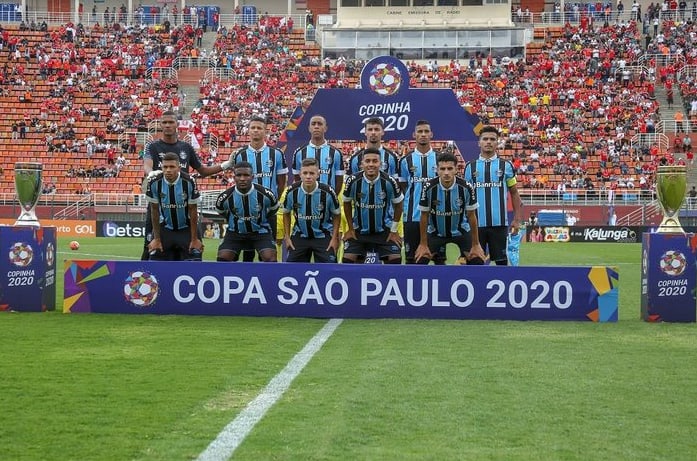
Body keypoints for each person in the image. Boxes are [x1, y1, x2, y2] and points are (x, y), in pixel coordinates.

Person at [141, 111, 234, 260]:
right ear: (160, 125)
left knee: (193, 251)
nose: (167, 125)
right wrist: (151, 173)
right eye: (164, 122)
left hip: (184, 210)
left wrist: (225, 165)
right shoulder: (152, 146)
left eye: (171, 122)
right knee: (151, 249)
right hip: (160, 209)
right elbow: (147, 165)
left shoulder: (186, 147)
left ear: (177, 125)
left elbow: (202, 171)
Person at [228, 116, 288, 261]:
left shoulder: (277, 154)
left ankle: (266, 282)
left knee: (268, 254)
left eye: (259, 128)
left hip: (268, 211)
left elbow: (281, 183)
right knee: (247, 254)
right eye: (253, 128)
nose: (256, 130)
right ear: (248, 131)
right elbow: (237, 181)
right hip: (245, 210)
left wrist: (273, 202)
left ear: (265, 131)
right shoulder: (239, 154)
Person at [463, 125, 523, 265]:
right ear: (479, 142)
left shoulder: (506, 166)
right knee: (475, 263)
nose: (488, 142)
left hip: (499, 224)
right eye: (485, 139)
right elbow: (464, 197)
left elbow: (514, 193)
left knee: (501, 263)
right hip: (475, 225)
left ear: (497, 142)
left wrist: (517, 219)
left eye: (492, 139)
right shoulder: (470, 167)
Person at [414, 152, 486, 265]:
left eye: (449, 168)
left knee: (477, 260)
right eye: (442, 169)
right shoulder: (428, 187)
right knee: (420, 260)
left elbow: (472, 216)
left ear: (456, 169)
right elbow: (424, 216)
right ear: (437, 170)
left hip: (461, 231)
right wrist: (423, 244)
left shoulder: (466, 187)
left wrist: (476, 244)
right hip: (435, 232)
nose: (446, 173)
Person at [342, 148, 404, 264]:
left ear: (380, 164)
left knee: (395, 260)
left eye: (375, 161)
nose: (371, 164)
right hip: (359, 231)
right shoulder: (353, 180)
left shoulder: (389, 181)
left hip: (384, 231)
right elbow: (346, 203)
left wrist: (394, 230)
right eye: (368, 161)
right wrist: (350, 228)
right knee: (347, 260)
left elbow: (399, 205)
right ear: (362, 164)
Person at [215, 161, 279, 262]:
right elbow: (222, 212)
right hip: (235, 233)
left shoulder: (266, 194)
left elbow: (273, 210)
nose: (242, 179)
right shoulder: (224, 197)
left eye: (246, 175)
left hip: (260, 232)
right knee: (223, 258)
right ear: (234, 177)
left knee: (270, 258)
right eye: (239, 175)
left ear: (252, 177)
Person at [145, 152, 203, 261]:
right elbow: (154, 210)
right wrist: (156, 239)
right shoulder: (154, 182)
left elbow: (193, 210)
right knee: (154, 255)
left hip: (186, 228)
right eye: (165, 167)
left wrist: (194, 239)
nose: (168, 170)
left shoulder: (189, 181)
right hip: (165, 228)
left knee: (195, 255)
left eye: (172, 167)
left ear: (179, 168)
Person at [282, 158, 341, 263]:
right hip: (300, 235)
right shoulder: (292, 191)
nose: (308, 176)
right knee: (291, 269)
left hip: (323, 235)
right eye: (305, 173)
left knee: (330, 269)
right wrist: (287, 237)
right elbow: (286, 213)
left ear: (318, 174)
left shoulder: (328, 192)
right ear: (300, 174)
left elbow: (337, 215)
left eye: (312, 173)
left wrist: (334, 238)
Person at [398, 120, 440, 264]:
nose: (423, 135)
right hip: (412, 217)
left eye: (426, 132)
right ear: (414, 135)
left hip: (437, 218)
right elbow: (403, 186)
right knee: (412, 261)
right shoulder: (405, 161)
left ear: (431, 135)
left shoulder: (440, 159)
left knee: (439, 261)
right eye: (420, 132)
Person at [291, 114, 345, 192]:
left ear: (325, 128)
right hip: (306, 198)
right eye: (313, 124)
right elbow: (297, 178)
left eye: (320, 124)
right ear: (309, 128)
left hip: (328, 199)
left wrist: (332, 197)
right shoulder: (299, 152)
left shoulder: (336, 153)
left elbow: (339, 180)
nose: (316, 126)